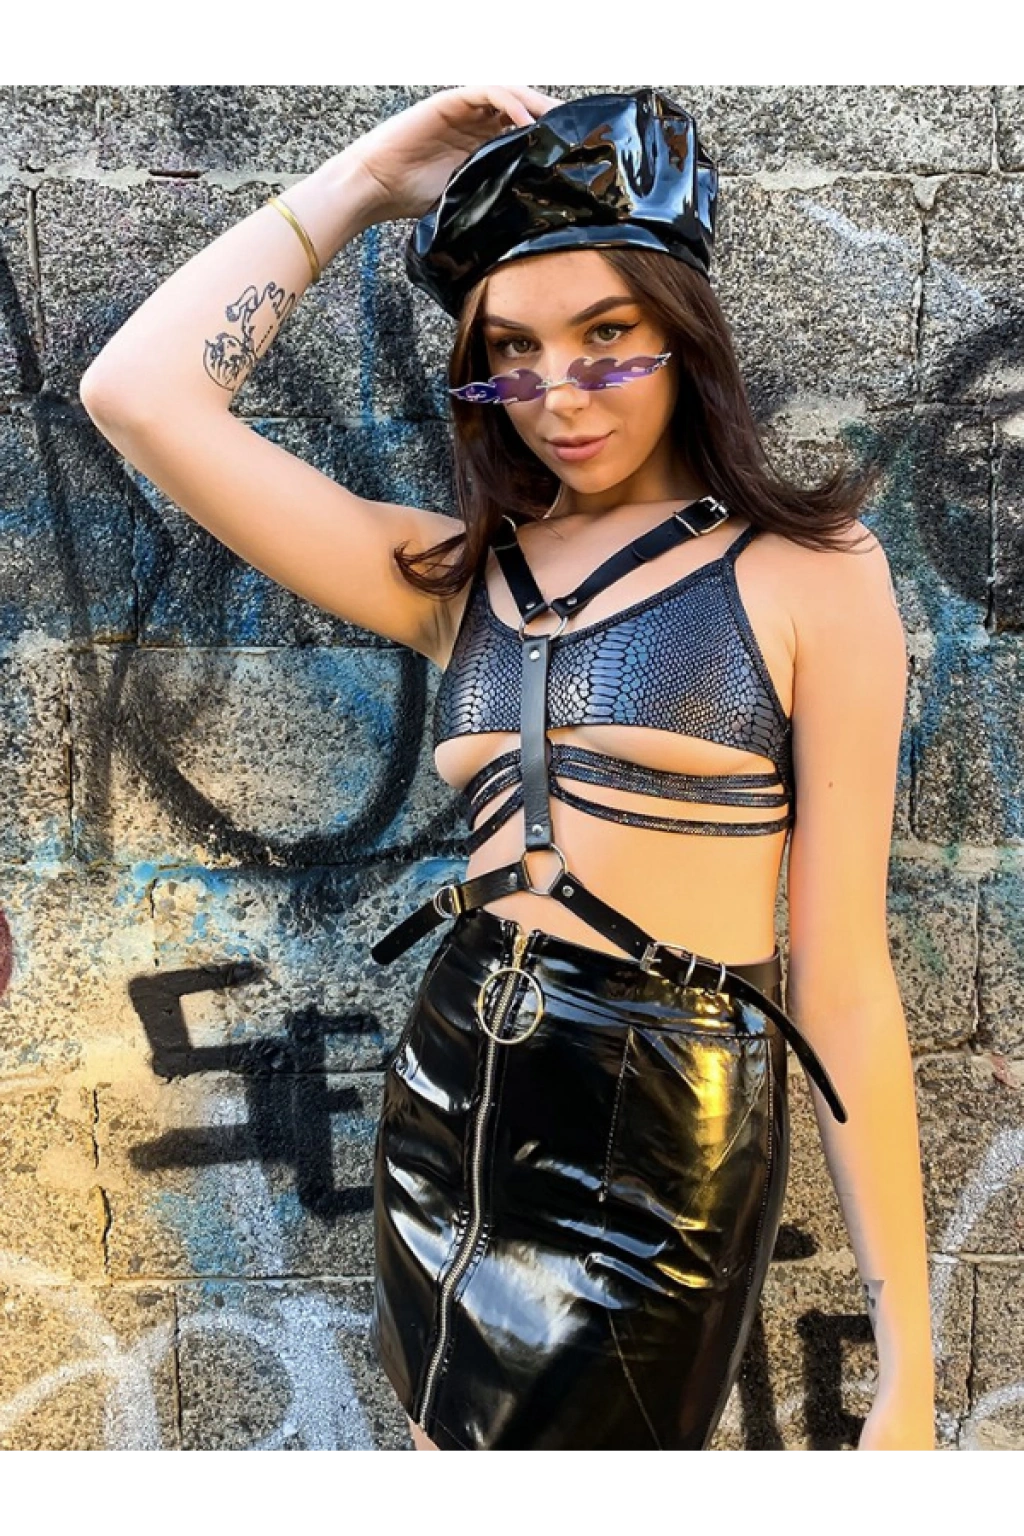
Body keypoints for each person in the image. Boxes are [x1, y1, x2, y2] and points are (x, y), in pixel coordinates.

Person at [80, 82, 936, 1456]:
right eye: (512, 352)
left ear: (683, 331)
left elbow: (841, 982)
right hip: (449, 1097)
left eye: (608, 338)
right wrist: (363, 183)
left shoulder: (812, 574)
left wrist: (911, 1367)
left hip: (657, 1129)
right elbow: (136, 395)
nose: (558, 395)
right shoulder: (458, 576)